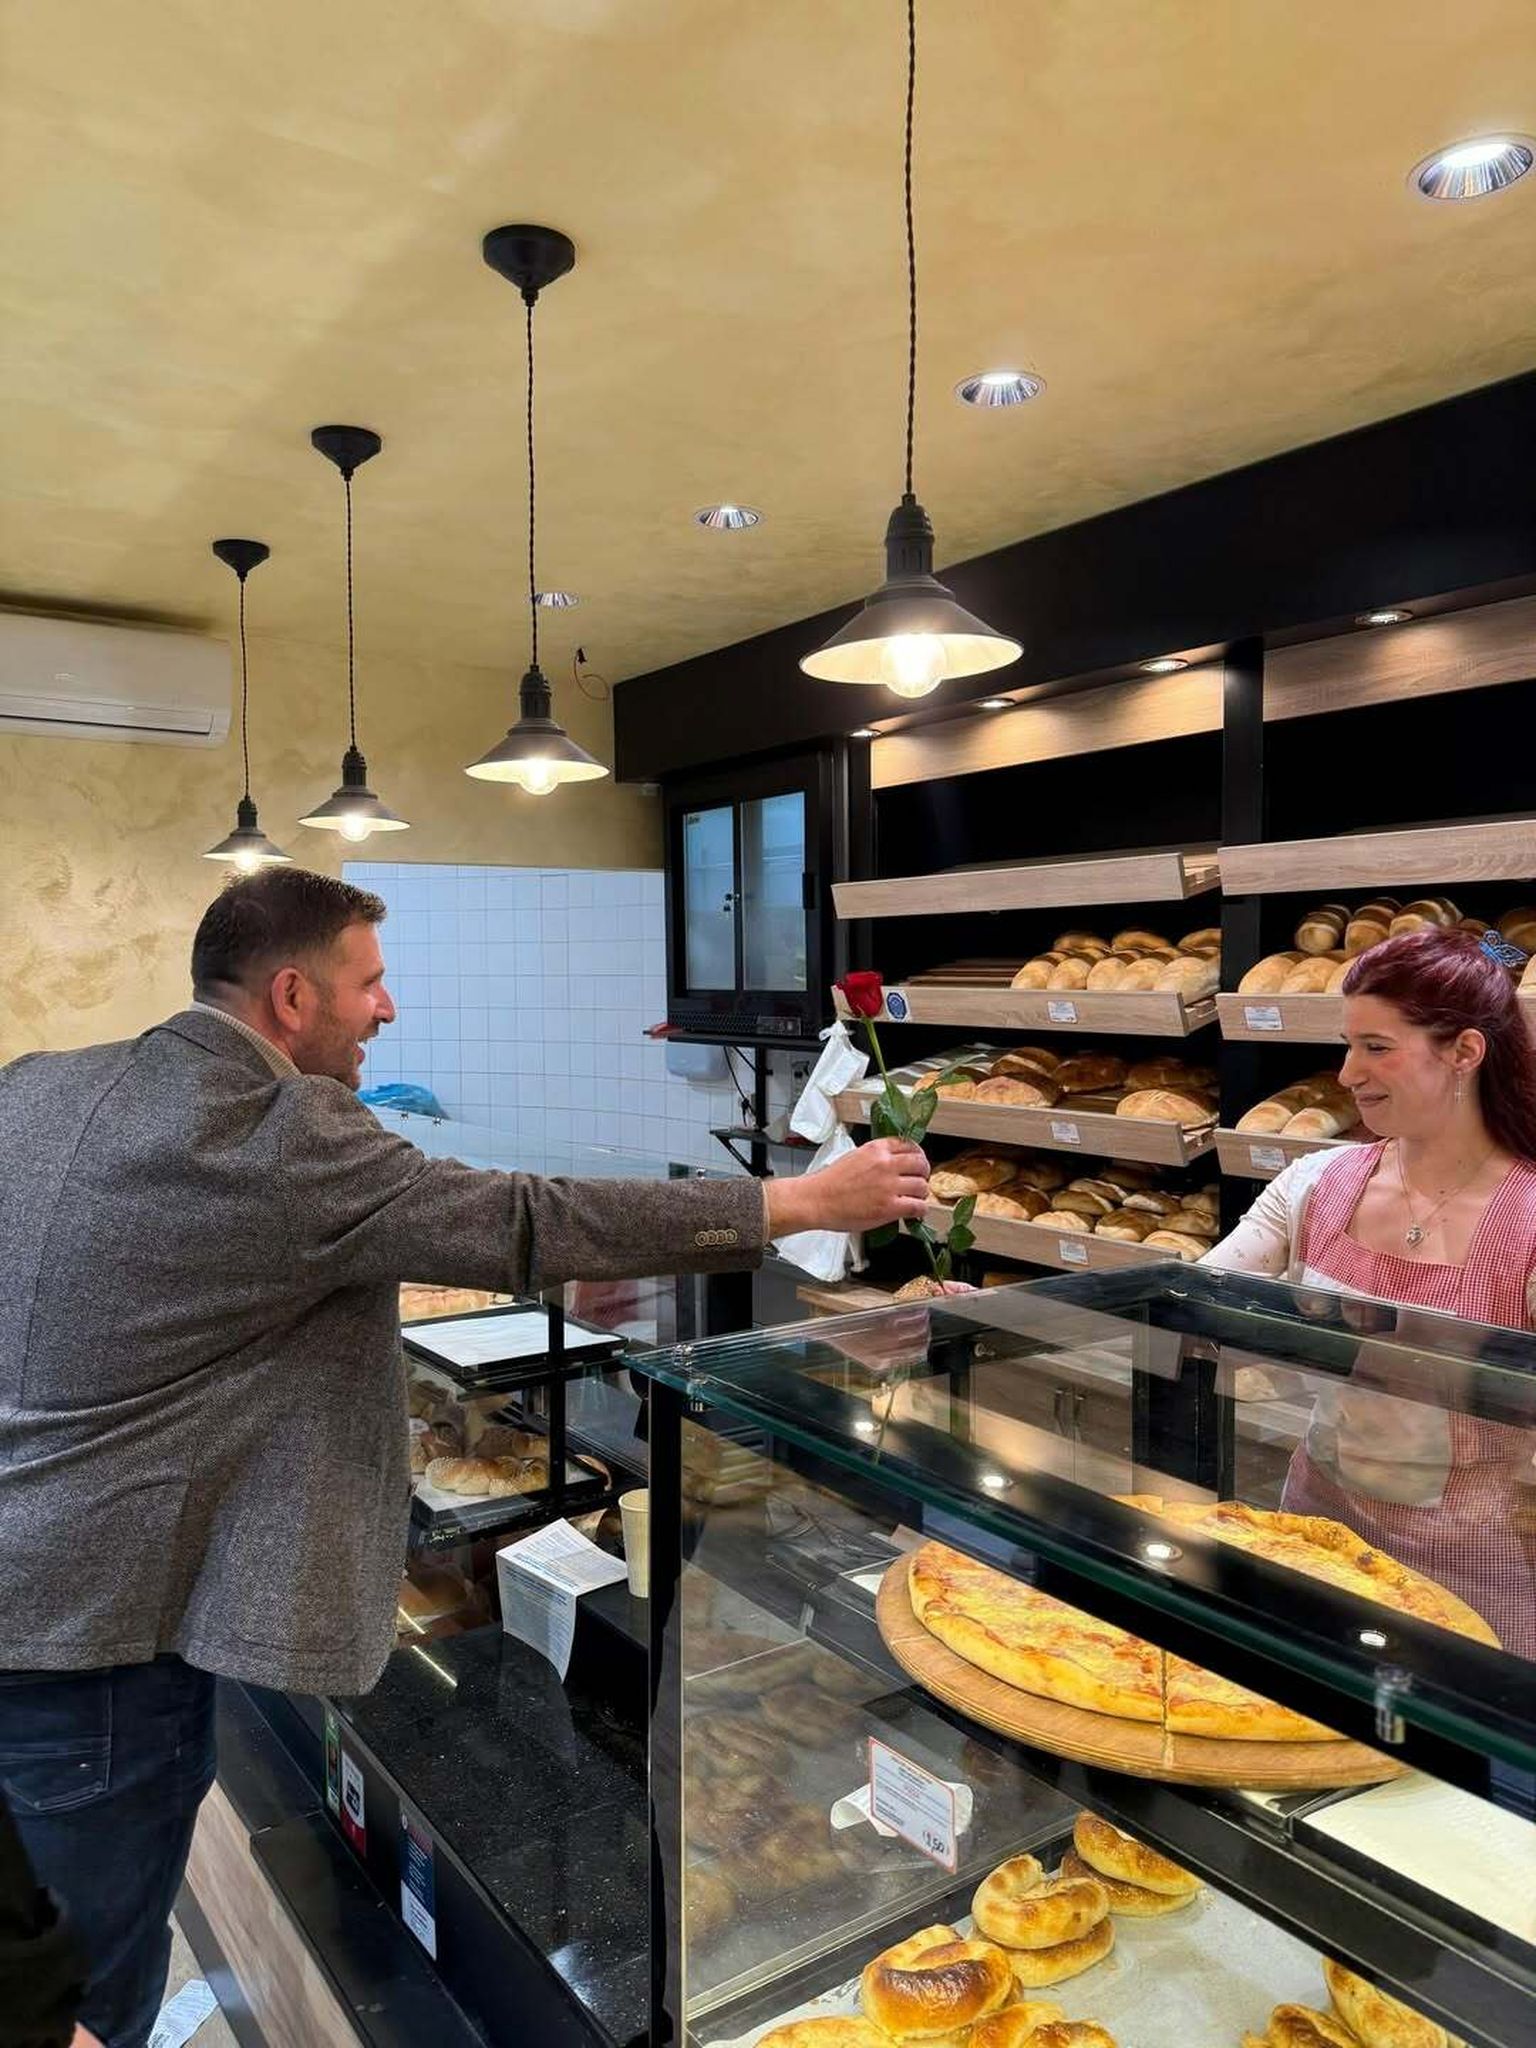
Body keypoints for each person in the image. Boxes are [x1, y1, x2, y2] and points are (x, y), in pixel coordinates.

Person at [0, 867, 932, 2048]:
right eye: (369, 982)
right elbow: (525, 1217)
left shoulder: (37, 1083)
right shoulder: (278, 1126)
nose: (386, 1008)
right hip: (99, 1647)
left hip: (29, 1582)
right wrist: (797, 1202)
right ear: (291, 995)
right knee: (79, 1998)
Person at [1203, 925, 1536, 1651]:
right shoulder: (1316, 1183)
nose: (1348, 1073)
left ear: (1465, 1052)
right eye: (1348, 1045)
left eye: (1377, 1047)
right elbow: (1192, 1296)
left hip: (1481, 1576)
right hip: (1318, 1541)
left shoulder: (1530, 1218)